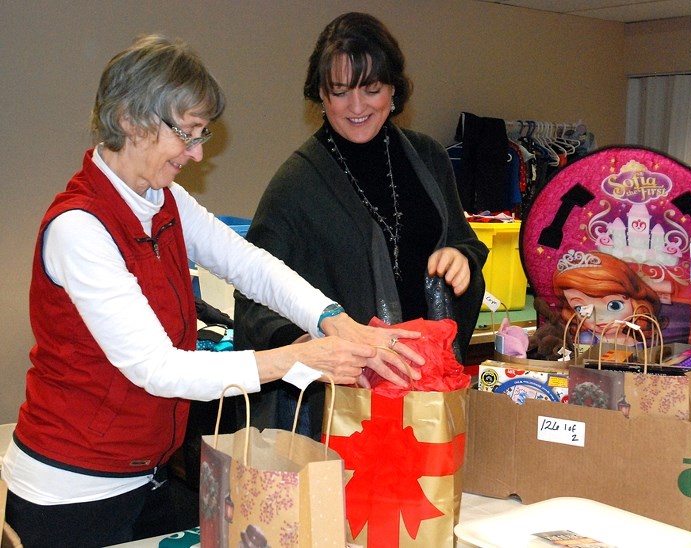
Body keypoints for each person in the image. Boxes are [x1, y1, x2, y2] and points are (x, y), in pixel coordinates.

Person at [0, 34, 425, 548]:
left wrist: (331, 318)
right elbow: (158, 369)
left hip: (146, 479)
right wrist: (297, 359)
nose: (198, 154)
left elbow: (250, 265)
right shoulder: (79, 228)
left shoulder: (164, 198)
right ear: (132, 120)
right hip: (71, 496)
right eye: (188, 134)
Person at [234, 12, 488, 438]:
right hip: (344, 407)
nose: (357, 107)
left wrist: (459, 257)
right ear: (320, 95)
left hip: (426, 387)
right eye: (339, 92)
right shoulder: (296, 184)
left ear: (394, 91)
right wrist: (308, 350)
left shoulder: (428, 159)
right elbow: (253, 299)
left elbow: (463, 241)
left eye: (371, 89)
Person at [552, 250, 661, 346]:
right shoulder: (587, 339)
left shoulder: (634, 339)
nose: (600, 317)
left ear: (635, 302)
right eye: (580, 308)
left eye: (614, 305)